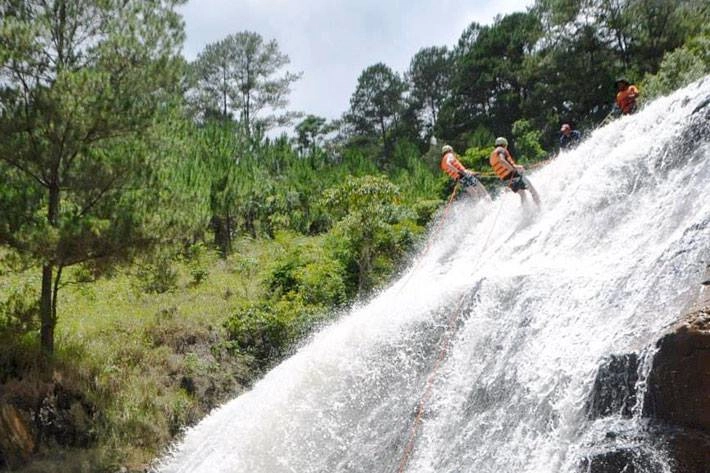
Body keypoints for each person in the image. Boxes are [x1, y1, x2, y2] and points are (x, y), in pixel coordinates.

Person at [489, 137, 541, 207]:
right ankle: (540, 206)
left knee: (522, 194)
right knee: (531, 188)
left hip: (506, 180)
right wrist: (512, 169)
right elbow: (502, 161)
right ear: (504, 144)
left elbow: (505, 164)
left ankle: (525, 212)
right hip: (513, 176)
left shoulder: (492, 155)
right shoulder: (501, 150)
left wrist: (517, 166)